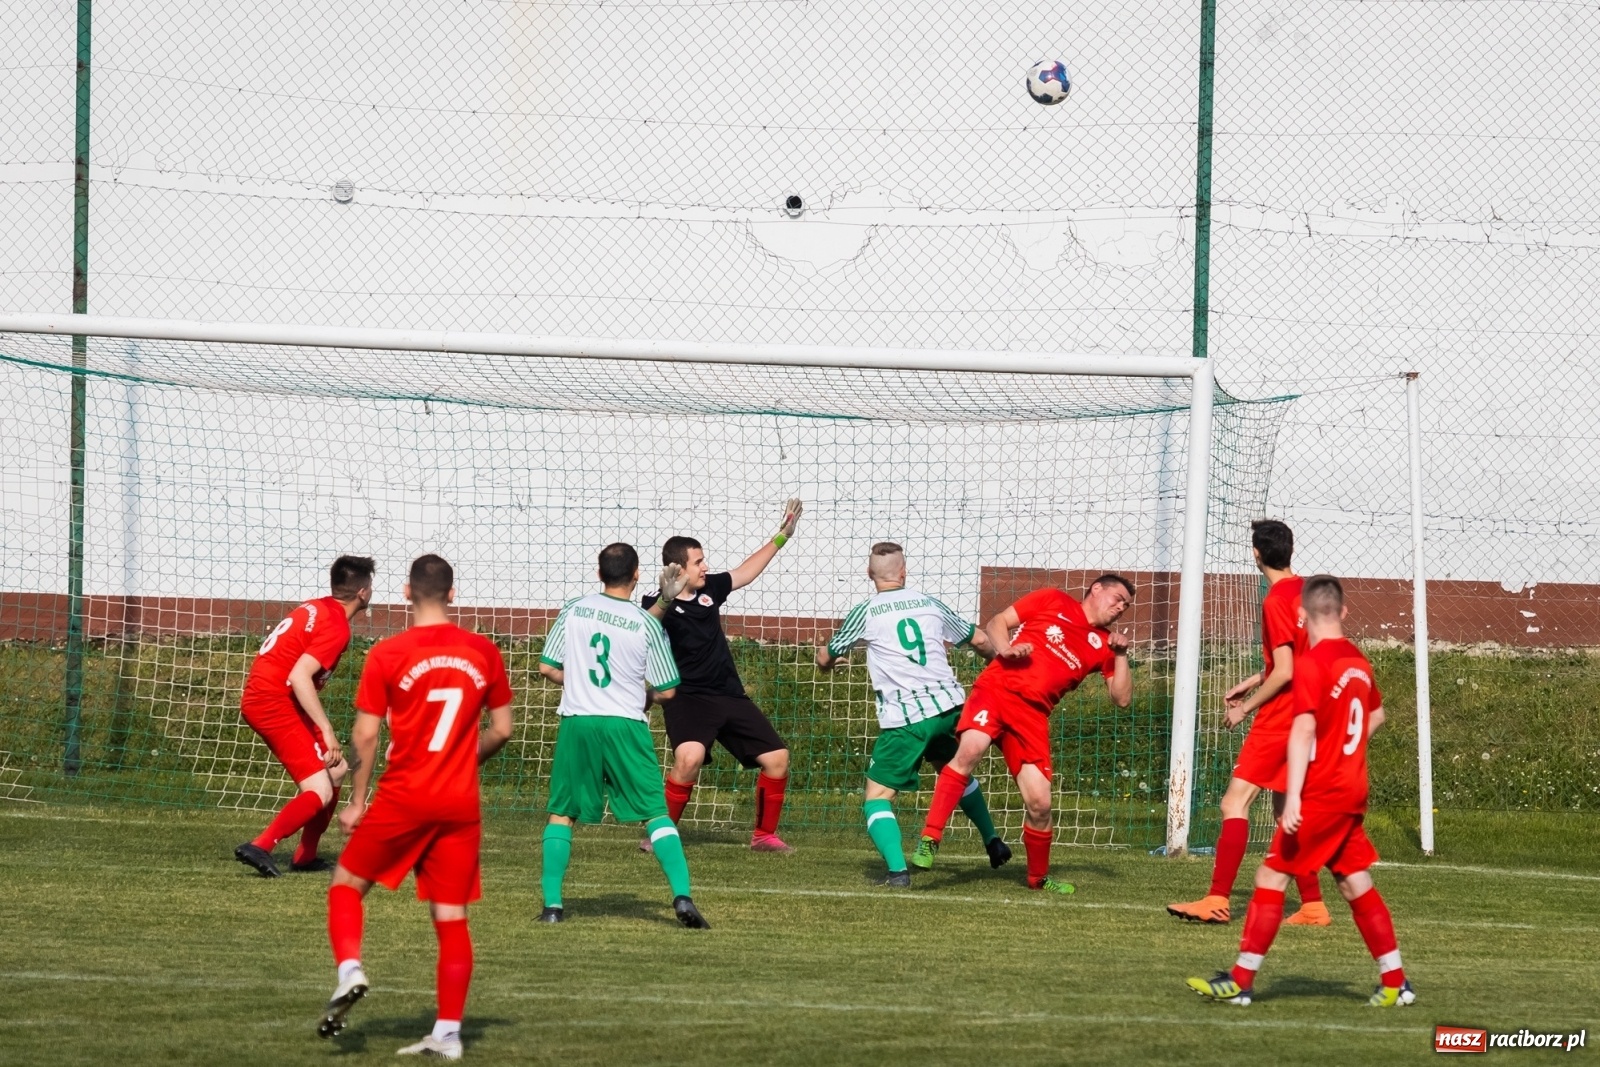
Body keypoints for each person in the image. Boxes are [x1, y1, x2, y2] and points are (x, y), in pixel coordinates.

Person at [317, 554, 515, 1058]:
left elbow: (365, 732)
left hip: (405, 795)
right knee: (450, 918)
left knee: (345, 885)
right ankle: (447, 1034)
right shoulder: (483, 651)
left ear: (406, 592)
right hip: (459, 803)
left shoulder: (388, 653)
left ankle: (350, 970)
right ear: (451, 594)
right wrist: (465, 759)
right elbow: (504, 730)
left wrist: (357, 802)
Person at [1187, 574, 1414, 1008]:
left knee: (1270, 876)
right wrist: (1347, 752)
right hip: (1351, 790)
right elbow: (1378, 715)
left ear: (1302, 615)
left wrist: (1292, 797)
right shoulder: (1357, 661)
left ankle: (1240, 980)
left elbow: (1304, 727)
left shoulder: (1313, 663)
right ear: (1344, 612)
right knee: (1354, 883)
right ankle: (1395, 982)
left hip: (1322, 794)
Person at [914, 574, 1134, 894]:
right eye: (1117, 598)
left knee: (1040, 804)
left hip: (1032, 716)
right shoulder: (1052, 599)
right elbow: (997, 621)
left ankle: (1038, 879)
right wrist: (1004, 649)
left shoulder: (1104, 644)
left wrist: (1121, 655)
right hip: (997, 690)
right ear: (1095, 588)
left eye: (1126, 606)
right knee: (970, 750)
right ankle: (930, 839)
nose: (1120, 608)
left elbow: (1122, 698)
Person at [815, 542, 1009, 886]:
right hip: (950, 709)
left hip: (907, 719)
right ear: (904, 572)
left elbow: (827, 656)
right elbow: (979, 640)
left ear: (868, 574)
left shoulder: (867, 611)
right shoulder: (928, 602)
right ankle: (993, 840)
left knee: (877, 797)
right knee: (954, 772)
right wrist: (998, 666)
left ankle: (897, 872)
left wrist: (827, 660)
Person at [537, 543, 709, 929]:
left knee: (562, 813)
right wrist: (642, 694)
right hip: (625, 724)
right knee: (655, 813)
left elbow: (547, 667)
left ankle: (552, 907)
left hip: (579, 722)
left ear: (600, 574)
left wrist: (579, 680)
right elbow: (667, 691)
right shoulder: (646, 622)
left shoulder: (574, 609)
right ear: (636, 576)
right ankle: (682, 896)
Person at [1168, 520, 1327, 925]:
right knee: (1283, 810)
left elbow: (1286, 671)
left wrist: (1246, 707)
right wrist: (1256, 676)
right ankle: (1313, 905)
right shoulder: (1310, 591)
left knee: (1233, 802)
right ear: (1289, 549)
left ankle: (1217, 899)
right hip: (1311, 713)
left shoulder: (1275, 600)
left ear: (1256, 553)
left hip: (1281, 717)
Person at [641, 499, 803, 852]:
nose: (705, 566)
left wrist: (782, 537)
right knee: (689, 759)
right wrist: (666, 602)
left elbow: (744, 572)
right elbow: (645, 626)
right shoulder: (655, 601)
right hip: (687, 697)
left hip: (728, 694)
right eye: (698, 562)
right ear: (678, 568)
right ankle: (659, 834)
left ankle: (763, 836)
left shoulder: (710, 589)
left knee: (777, 759)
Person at [234, 555, 374, 878]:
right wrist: (325, 728)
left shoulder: (318, 606)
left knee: (336, 768)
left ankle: (305, 855)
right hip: (273, 700)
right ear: (363, 593)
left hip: (275, 696)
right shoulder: (337, 626)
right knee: (320, 789)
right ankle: (261, 845)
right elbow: (299, 676)